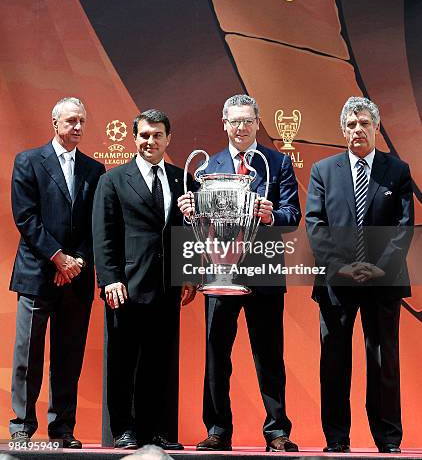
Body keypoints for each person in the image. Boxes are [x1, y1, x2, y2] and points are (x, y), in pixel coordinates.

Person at [178, 94, 301, 452]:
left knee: (269, 355)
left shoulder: (276, 163)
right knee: (216, 354)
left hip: (263, 269)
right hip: (218, 272)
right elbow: (203, 224)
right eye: (234, 121)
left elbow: (293, 215)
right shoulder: (208, 168)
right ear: (224, 123)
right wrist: (190, 210)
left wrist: (270, 215)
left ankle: (277, 431)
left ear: (258, 123)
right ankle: (217, 429)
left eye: (247, 120)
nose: (241, 127)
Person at [305, 96, 414, 453]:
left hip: (383, 280)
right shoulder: (323, 170)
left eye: (364, 123)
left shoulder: (397, 170)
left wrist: (379, 266)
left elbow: (403, 226)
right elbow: (316, 224)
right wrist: (342, 267)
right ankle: (336, 439)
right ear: (342, 130)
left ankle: (388, 439)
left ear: (376, 128)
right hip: (337, 282)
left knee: (383, 361)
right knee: (334, 362)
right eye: (351, 125)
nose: (357, 130)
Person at [93, 109, 196, 450]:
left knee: (159, 362)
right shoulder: (113, 179)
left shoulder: (183, 180)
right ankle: (124, 428)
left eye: (157, 135)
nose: (150, 141)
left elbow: (192, 231)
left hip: (167, 287)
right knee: (123, 361)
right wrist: (109, 278)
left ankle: (155, 431)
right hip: (126, 286)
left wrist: (189, 274)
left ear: (169, 139)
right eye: (144, 135)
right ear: (134, 138)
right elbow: (103, 234)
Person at [9, 97, 105, 448]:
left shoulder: (95, 170)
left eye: (82, 121)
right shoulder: (29, 161)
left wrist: (74, 261)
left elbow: (94, 223)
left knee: (68, 357)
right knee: (28, 355)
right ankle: (21, 425)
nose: (77, 127)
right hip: (37, 275)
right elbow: (26, 218)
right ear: (55, 123)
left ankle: (62, 428)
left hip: (75, 278)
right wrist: (57, 258)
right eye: (71, 121)